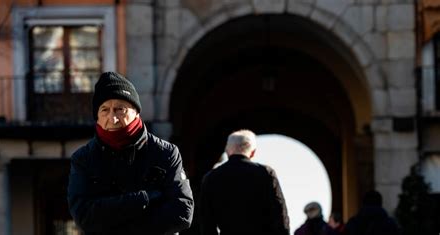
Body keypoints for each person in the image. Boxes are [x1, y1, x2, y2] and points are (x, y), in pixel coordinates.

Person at [67, 72, 194, 234]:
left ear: (136, 112)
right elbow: (84, 217)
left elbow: (183, 213)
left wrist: (111, 215)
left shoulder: (166, 153)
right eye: (105, 110)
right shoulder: (83, 159)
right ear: (97, 117)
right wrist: (145, 199)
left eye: (120, 109)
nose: (112, 119)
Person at [199, 129, 290, 235]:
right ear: (253, 152)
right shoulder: (266, 173)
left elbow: (206, 220)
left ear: (227, 150)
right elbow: (280, 213)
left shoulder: (211, 177)